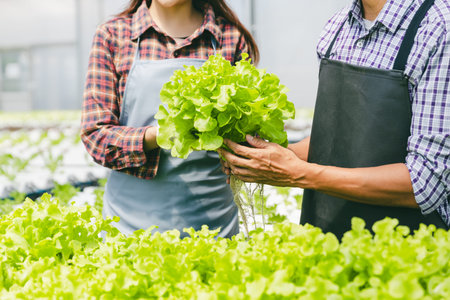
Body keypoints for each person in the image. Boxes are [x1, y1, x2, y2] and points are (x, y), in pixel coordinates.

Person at [219, 0, 449, 238]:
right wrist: (264, 157)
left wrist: (298, 173)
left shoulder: (438, 29)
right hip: (327, 238)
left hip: (403, 250)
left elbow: (425, 183)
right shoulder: (337, 27)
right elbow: (336, 138)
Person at [81, 0, 259, 237]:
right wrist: (158, 135)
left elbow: (247, 134)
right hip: (131, 228)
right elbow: (96, 135)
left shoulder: (229, 37)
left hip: (213, 226)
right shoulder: (113, 35)